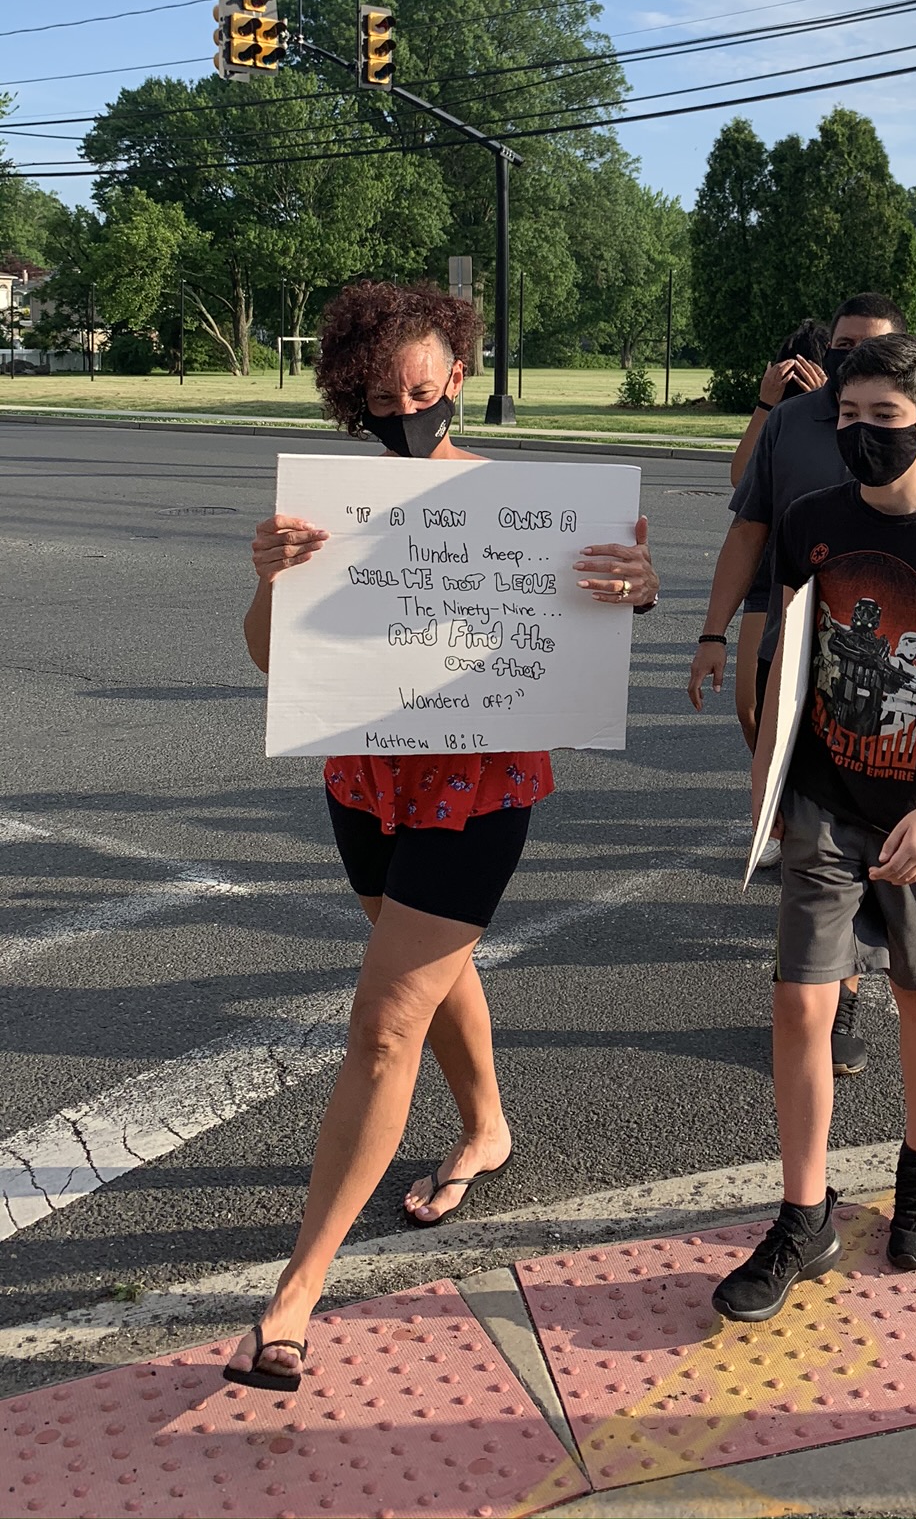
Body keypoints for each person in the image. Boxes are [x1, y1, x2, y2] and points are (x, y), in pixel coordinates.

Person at [225, 281, 658, 1392]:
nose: (403, 412)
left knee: (385, 1021)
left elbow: (597, 618)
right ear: (349, 397)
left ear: (458, 376)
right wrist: (270, 580)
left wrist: (632, 587)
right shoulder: (329, 507)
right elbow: (271, 657)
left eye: (420, 392)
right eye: (379, 399)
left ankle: (295, 1293)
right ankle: (487, 1128)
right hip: (365, 777)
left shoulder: (524, 506)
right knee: (425, 967)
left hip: (480, 786)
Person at [711, 334, 916, 1323]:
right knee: (800, 1004)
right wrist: (765, 776)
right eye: (848, 417)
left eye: (882, 419)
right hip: (823, 803)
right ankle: (803, 1213)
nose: (860, 435)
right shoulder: (811, 520)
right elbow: (791, 658)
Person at [689, 292, 916, 1077]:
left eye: (869, 347)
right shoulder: (794, 420)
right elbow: (748, 522)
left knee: (873, 816)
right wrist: (714, 634)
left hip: (891, 661)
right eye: (843, 345)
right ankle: (830, 975)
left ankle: (850, 980)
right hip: (791, 632)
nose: (852, 358)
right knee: (807, 803)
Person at [728, 320, 830, 753]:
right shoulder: (779, 419)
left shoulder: (838, 417)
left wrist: (822, 402)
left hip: (817, 570)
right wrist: (765, 403)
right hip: (766, 568)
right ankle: (769, 779)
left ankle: (795, 781)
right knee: (749, 706)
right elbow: (741, 477)